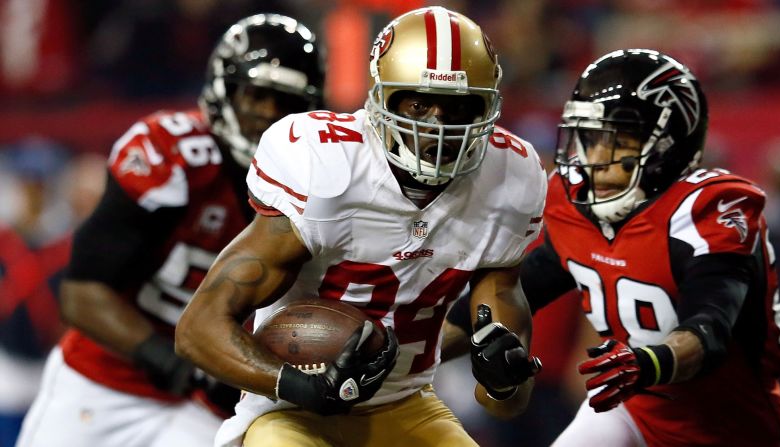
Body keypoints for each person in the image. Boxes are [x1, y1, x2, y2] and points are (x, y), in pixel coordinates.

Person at [175, 6, 547, 447]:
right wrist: (299, 385)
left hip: (407, 404)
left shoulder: (509, 175)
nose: (437, 124)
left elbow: (504, 402)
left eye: (457, 105)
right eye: (418, 102)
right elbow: (198, 328)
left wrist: (505, 379)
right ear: (381, 99)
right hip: (294, 412)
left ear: (487, 106)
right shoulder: (327, 167)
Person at [446, 48, 780, 446]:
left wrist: (647, 362)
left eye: (619, 142)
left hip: (731, 426)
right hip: (633, 408)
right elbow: (522, 286)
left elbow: (708, 331)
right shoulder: (573, 201)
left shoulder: (707, 210)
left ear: (669, 145)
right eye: (590, 140)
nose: (597, 160)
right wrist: (416, 351)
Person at [16, 14, 325, 447]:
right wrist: (173, 361)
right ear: (224, 90)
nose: (269, 115)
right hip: (107, 380)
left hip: (214, 406)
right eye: (257, 95)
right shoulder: (173, 156)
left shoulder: (321, 186)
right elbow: (82, 293)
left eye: (285, 101)